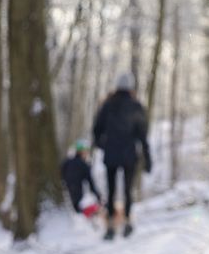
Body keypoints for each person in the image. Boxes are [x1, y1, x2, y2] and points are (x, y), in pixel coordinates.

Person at [92, 72, 152, 240]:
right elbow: (143, 136)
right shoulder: (136, 106)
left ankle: (110, 226)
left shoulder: (107, 105)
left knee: (111, 190)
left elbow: (96, 130)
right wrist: (147, 159)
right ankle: (126, 223)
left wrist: (103, 145)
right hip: (129, 155)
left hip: (111, 154)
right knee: (127, 190)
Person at [60, 140, 101, 219]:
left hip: (66, 190)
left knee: (75, 208)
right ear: (82, 152)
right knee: (79, 211)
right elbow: (90, 182)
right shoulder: (84, 165)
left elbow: (61, 174)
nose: (87, 154)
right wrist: (98, 196)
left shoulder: (67, 162)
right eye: (86, 152)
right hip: (77, 191)